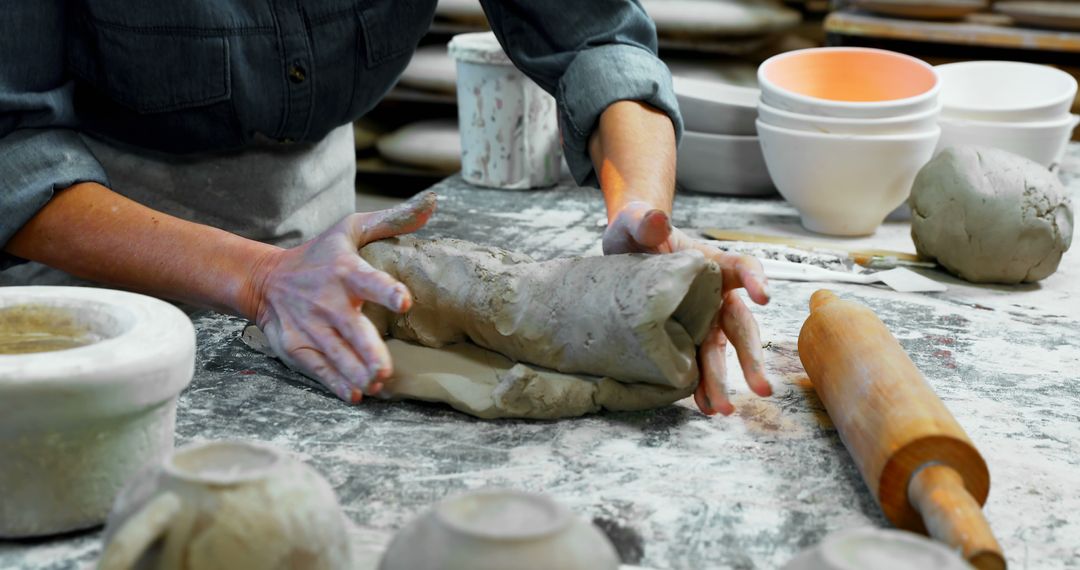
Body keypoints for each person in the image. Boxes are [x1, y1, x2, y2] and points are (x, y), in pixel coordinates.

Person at [0, 0, 772, 415]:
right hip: (94, 257)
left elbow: (597, 37)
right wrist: (264, 279)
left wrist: (641, 219)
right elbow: (12, 147)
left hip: (328, 244)